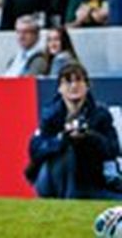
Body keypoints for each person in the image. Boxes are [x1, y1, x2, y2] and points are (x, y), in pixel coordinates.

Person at [27, 63, 122, 199]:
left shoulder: (100, 114)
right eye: (68, 82)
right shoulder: (50, 115)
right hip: (53, 180)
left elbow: (113, 149)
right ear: (60, 88)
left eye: (78, 80)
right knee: (67, 148)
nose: (73, 86)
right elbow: (35, 148)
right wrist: (62, 139)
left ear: (87, 86)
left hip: (91, 178)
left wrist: (90, 136)